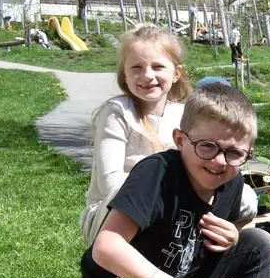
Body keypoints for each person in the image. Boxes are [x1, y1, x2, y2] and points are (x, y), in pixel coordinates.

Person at [78, 84, 270, 278]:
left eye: (234, 153)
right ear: (180, 140)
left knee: (258, 243)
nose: (220, 161)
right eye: (207, 146)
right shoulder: (156, 174)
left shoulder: (231, 179)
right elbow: (106, 247)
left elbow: (195, 245)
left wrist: (229, 239)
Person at [80, 24, 193, 245]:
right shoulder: (118, 112)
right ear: (125, 74)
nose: (147, 76)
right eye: (137, 67)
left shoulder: (184, 115)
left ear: (176, 73)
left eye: (158, 66)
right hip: (114, 213)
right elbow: (110, 183)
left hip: (172, 209)